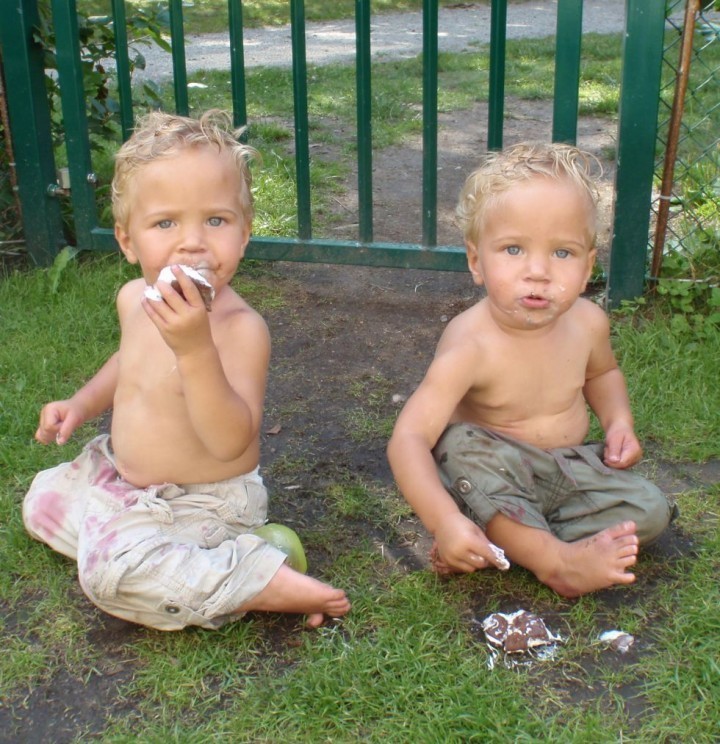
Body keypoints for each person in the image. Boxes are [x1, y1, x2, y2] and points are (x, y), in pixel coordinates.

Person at [23, 110, 350, 630]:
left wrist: (196, 350)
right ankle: (159, 549)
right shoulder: (134, 298)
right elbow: (126, 362)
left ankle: (256, 575)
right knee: (41, 500)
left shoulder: (242, 329)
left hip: (204, 500)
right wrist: (80, 404)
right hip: (125, 477)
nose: (192, 241)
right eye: (165, 223)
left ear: (244, 235)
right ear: (128, 241)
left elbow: (231, 441)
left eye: (215, 221)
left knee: (109, 573)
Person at [387, 142, 675, 598]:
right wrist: (442, 522)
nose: (538, 271)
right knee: (460, 444)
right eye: (514, 249)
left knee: (650, 509)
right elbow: (408, 439)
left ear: (587, 267)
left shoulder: (587, 323)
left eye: (562, 253)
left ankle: (507, 540)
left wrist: (619, 423)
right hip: (487, 479)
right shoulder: (471, 345)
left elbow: (602, 376)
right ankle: (553, 562)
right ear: (476, 261)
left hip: (565, 470)